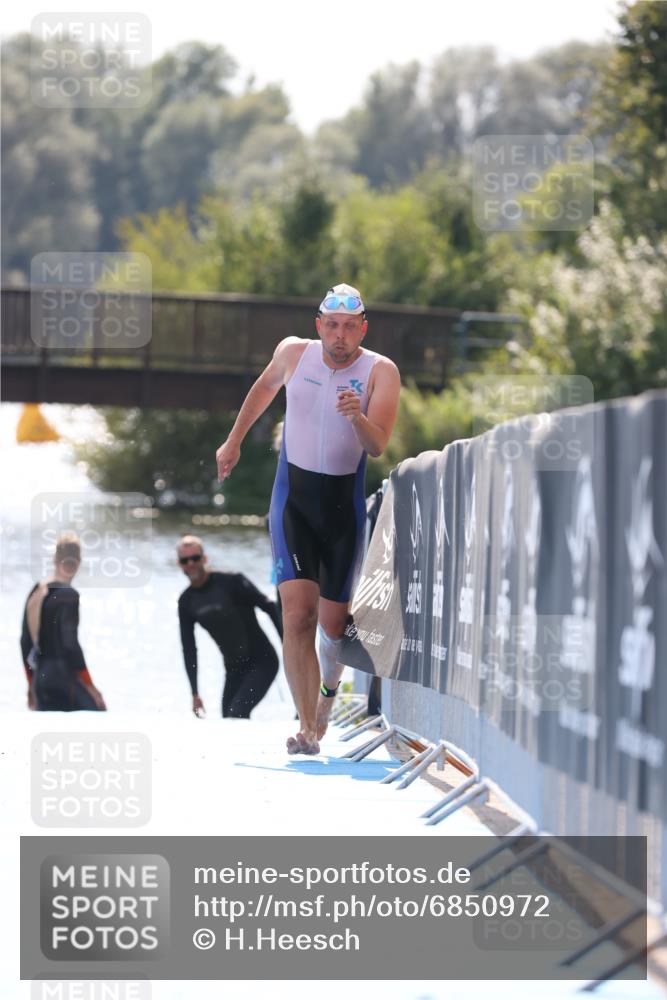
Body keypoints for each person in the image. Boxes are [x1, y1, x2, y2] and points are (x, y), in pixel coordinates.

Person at [215, 283, 401, 754]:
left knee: (333, 627)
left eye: (349, 327)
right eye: (331, 326)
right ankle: (307, 728)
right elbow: (261, 391)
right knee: (298, 616)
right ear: (319, 325)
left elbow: (378, 445)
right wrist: (233, 441)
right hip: (292, 500)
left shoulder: (381, 371)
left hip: (342, 506)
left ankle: (326, 697)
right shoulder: (294, 353)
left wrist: (357, 416)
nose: (340, 336)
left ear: (362, 328)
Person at [177, 534, 283, 718]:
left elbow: (269, 607)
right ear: (179, 564)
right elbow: (189, 649)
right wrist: (194, 693)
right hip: (234, 669)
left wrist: (289, 646)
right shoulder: (186, 602)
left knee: (237, 713)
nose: (191, 564)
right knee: (228, 718)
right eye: (185, 560)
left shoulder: (232, 582)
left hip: (263, 661)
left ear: (205, 558)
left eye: (195, 558)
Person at [20, 533, 106, 712]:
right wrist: (91, 687)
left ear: (54, 559)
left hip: (40, 681)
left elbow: (24, 641)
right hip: (62, 678)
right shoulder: (69, 595)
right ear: (79, 561)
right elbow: (71, 645)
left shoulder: (37, 590)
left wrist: (31, 684)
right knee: (99, 714)